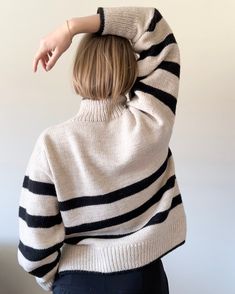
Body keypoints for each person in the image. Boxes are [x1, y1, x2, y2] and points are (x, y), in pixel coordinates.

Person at [18, 6, 187, 294]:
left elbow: (34, 247)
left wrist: (59, 282)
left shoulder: (52, 145)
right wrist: (71, 27)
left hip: (78, 283)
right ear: (131, 68)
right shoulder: (151, 123)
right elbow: (153, 28)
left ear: (79, 67)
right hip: (145, 281)